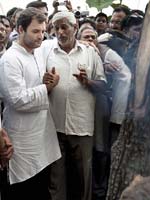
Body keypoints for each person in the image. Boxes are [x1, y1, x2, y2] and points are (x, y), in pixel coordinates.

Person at [37, 11, 106, 200]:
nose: (59, 32)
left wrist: (88, 82)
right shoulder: (46, 51)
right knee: (56, 178)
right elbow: (39, 86)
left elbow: (103, 86)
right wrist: (46, 83)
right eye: (56, 28)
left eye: (64, 27)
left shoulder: (90, 53)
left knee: (83, 176)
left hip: (81, 126)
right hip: (55, 126)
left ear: (75, 28)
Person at [0, 8, 61, 200]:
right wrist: (46, 88)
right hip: (22, 141)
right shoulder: (10, 59)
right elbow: (17, 99)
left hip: (40, 137)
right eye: (35, 31)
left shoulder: (37, 52)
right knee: (22, 191)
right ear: (20, 29)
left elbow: (58, 42)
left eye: (43, 31)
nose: (41, 36)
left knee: (40, 189)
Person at [77, 25, 131, 200]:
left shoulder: (106, 57)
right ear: (78, 39)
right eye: (86, 37)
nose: (90, 40)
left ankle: (99, 191)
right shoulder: (74, 56)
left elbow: (113, 84)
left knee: (100, 151)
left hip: (100, 111)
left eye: (93, 37)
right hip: (78, 115)